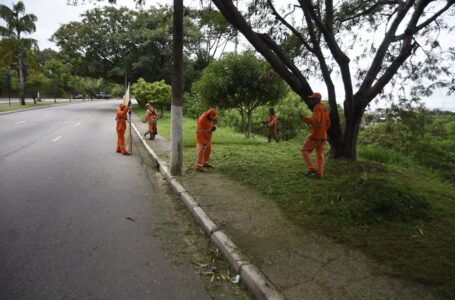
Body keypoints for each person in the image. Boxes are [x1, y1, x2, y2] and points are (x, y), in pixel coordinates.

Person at [300, 92, 331, 178]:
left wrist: (304, 118)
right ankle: (320, 174)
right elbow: (328, 123)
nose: (311, 101)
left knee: (304, 150)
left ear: (317, 100)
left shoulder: (317, 108)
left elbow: (315, 121)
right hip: (323, 136)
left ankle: (311, 168)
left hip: (315, 136)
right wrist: (323, 130)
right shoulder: (324, 109)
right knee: (320, 155)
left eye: (312, 99)